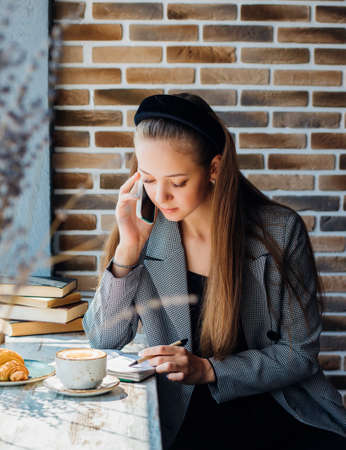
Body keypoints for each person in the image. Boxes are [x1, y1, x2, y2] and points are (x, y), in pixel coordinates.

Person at [83, 93, 346, 449]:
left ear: (214, 168)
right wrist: (127, 251)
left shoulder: (280, 231)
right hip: (183, 413)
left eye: (177, 182)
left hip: (279, 404)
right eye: (147, 179)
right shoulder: (142, 230)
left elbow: (299, 354)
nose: (161, 196)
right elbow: (103, 338)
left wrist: (208, 370)